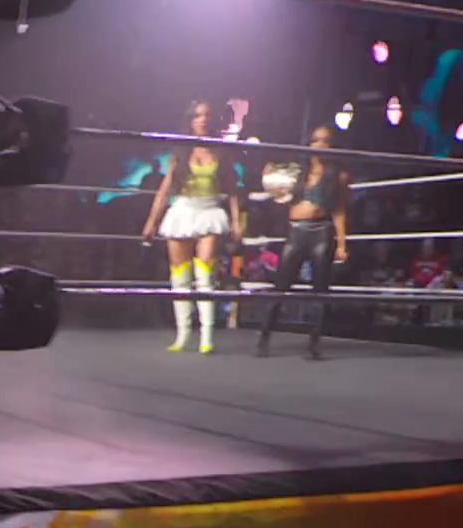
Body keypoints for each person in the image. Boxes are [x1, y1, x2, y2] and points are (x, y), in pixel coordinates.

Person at [141, 99, 242, 353]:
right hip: (183, 210)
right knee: (180, 277)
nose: (203, 119)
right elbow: (165, 189)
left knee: (205, 275)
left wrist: (236, 221)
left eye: (207, 115)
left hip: (210, 210)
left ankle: (207, 336)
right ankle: (183, 334)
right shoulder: (181, 151)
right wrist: (152, 222)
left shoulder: (221, 151)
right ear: (191, 120)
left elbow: (232, 189)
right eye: (198, 115)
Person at [255, 124, 350, 359]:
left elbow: (339, 210)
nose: (321, 145)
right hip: (296, 230)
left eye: (325, 140)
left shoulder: (338, 176)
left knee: (320, 289)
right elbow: (277, 194)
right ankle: (264, 338)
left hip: (321, 230)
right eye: (316, 140)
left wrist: (342, 244)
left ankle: (314, 343)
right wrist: (268, 177)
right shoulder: (296, 172)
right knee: (281, 285)